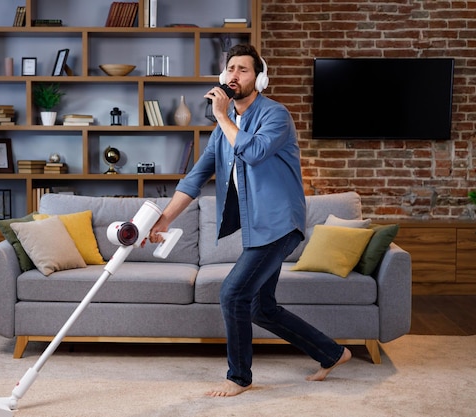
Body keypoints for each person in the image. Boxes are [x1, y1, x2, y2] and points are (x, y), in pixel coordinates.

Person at [147, 44, 351, 397]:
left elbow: (254, 152)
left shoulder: (275, 115)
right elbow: (196, 177)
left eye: (243, 69)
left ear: (260, 77)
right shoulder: (223, 131)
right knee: (262, 307)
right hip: (257, 226)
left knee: (233, 294)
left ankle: (239, 377)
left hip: (281, 223)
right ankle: (332, 353)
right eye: (230, 69)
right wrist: (164, 219)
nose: (234, 75)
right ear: (221, 77)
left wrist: (223, 116)